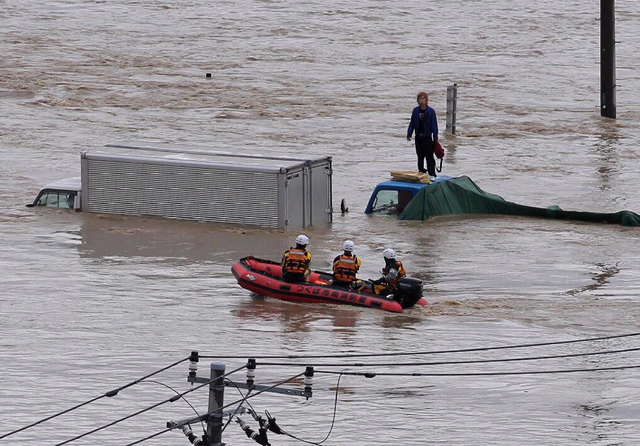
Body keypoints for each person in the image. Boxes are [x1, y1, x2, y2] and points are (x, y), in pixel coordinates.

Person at [406, 91, 439, 181]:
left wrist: (435, 138)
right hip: (418, 137)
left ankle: (432, 174)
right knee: (420, 156)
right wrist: (409, 134)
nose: (421, 100)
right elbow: (412, 123)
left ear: (426, 100)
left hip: (428, 137)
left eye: (423, 98)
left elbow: (434, 125)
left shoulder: (431, 111)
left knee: (429, 157)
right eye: (420, 99)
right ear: (417, 100)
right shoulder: (415, 111)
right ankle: (421, 172)